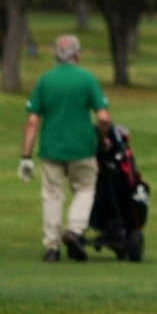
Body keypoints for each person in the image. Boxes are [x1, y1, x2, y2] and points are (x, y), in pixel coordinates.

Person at [19, 34, 111, 263]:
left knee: (52, 195)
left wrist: (26, 156)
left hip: (52, 148)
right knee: (86, 188)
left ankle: (52, 247)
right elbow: (103, 118)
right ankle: (75, 230)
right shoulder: (87, 79)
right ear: (77, 55)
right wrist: (102, 138)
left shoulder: (44, 81)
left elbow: (32, 121)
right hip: (82, 147)